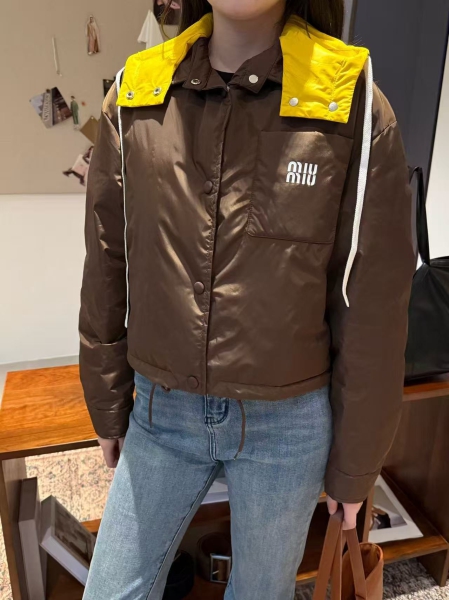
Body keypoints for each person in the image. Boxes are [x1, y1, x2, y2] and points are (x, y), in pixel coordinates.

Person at [79, 1, 415, 598]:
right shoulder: (137, 92)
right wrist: (107, 398)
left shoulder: (351, 100)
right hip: (162, 412)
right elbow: (107, 257)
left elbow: (373, 301)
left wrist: (357, 459)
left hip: (288, 424)